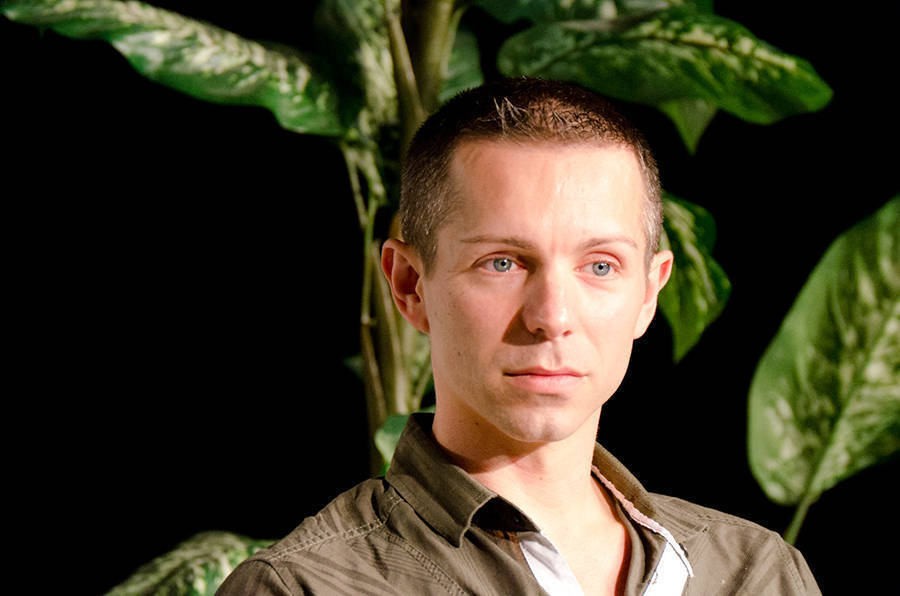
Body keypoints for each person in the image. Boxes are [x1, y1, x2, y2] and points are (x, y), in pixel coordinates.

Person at [217, 78, 820, 595]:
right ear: (409, 285)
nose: (551, 316)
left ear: (648, 293)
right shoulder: (305, 587)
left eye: (600, 265)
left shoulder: (755, 573)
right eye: (502, 262)